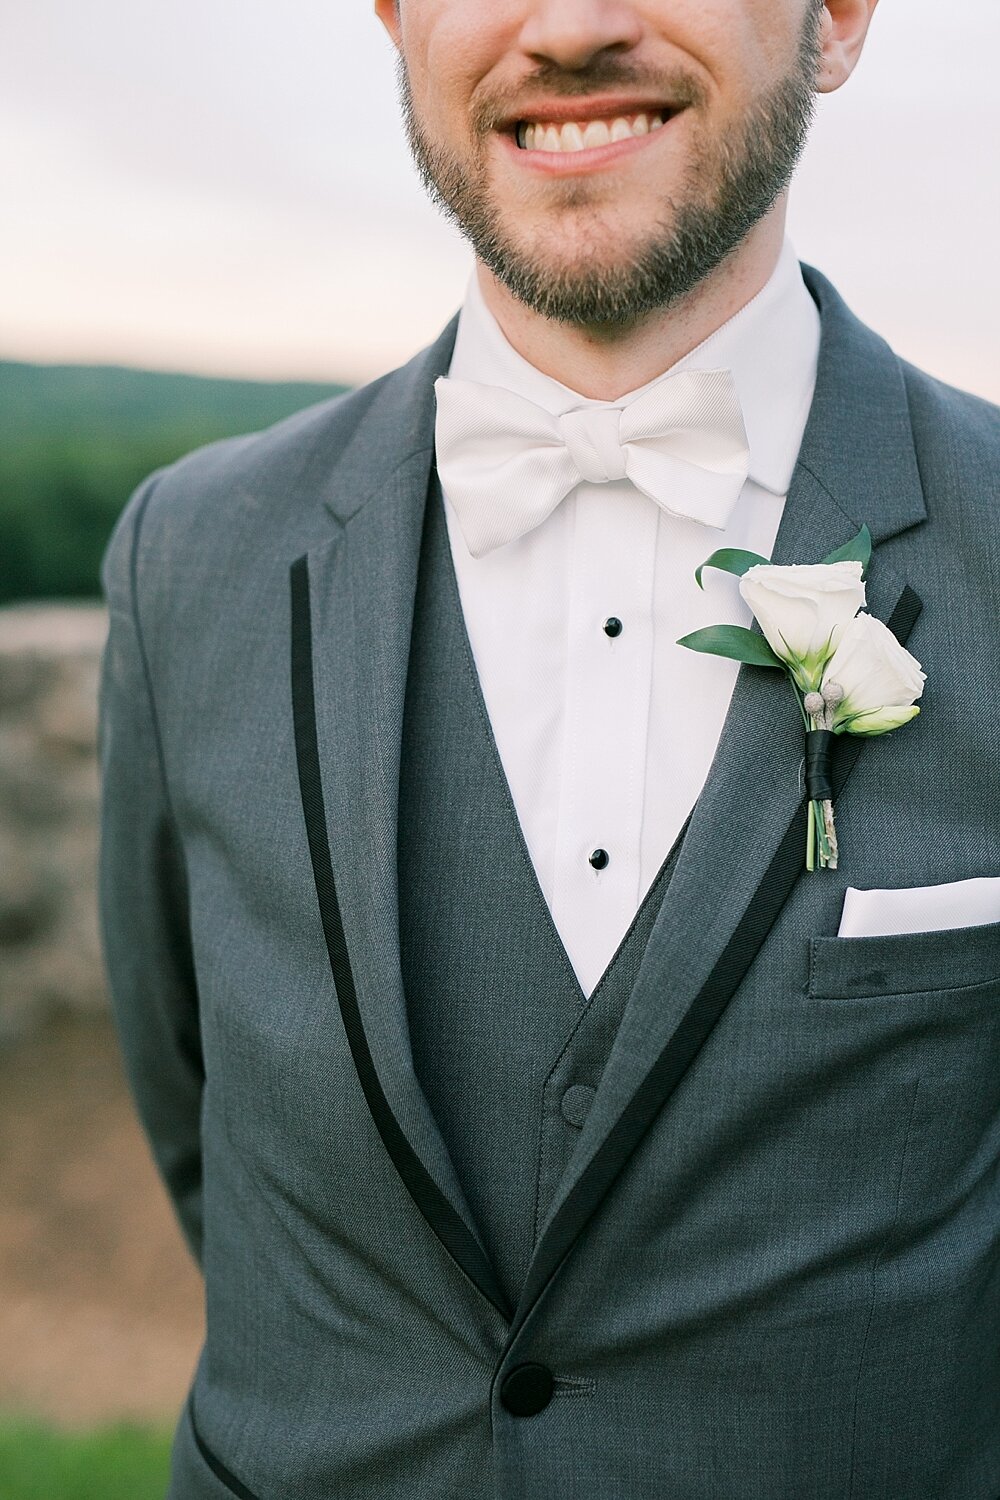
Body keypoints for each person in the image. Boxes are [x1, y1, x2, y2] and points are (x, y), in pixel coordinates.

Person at [97, 1, 1000, 1495]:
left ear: (836, 18)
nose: (569, 27)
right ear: (394, 18)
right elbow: (196, 1110)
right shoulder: (188, 558)